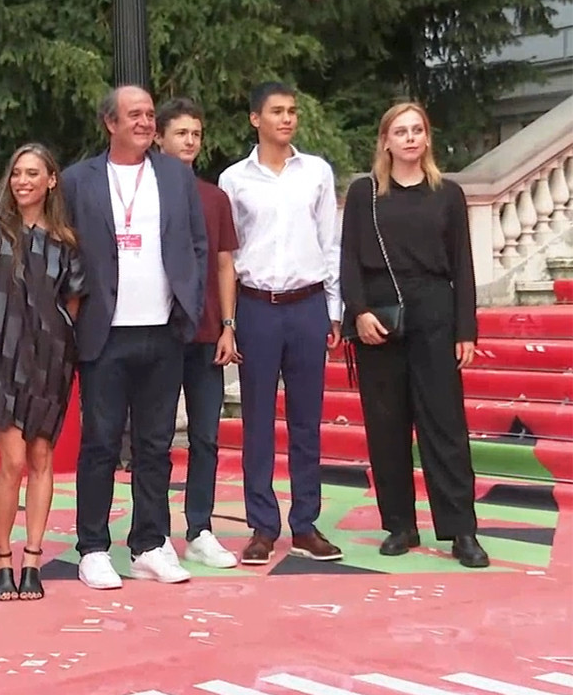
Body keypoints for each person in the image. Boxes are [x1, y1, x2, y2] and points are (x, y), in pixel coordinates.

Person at [62, 85, 208, 590]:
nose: (146, 122)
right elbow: (63, 244)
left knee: (155, 445)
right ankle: (93, 548)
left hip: (164, 329)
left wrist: (190, 301)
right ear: (111, 123)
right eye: (135, 115)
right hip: (104, 333)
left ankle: (149, 543)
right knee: (100, 444)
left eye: (149, 114)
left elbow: (195, 242)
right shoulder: (78, 180)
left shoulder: (175, 175)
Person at [340, 102, 489, 568]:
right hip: (379, 317)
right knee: (386, 425)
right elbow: (347, 258)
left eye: (417, 130)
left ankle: (461, 529)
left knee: (445, 425)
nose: (409, 138)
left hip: (435, 312)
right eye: (400, 131)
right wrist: (358, 312)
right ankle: (400, 524)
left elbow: (462, 264)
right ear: (385, 140)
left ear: (427, 138)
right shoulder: (365, 193)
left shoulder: (448, 194)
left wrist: (466, 328)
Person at [218, 82, 344, 565]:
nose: (287, 118)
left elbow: (329, 243)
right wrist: (229, 321)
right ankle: (262, 525)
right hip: (257, 307)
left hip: (308, 305)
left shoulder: (316, 172)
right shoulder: (234, 179)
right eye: (276, 111)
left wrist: (334, 309)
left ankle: (306, 523)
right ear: (256, 119)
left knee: (307, 420)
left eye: (292, 110)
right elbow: (228, 255)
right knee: (257, 420)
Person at [0, 143, 85, 601]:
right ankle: (0, 556)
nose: (22, 181)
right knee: (12, 461)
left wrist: (58, 343)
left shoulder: (66, 240)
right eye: (16, 173)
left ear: (51, 181)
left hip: (50, 359)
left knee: (42, 457)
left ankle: (32, 558)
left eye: (33, 173)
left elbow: (72, 301)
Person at [154, 99, 240, 569]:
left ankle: (200, 528)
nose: (190, 141)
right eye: (181, 133)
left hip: (209, 332)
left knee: (206, 436)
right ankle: (154, 533)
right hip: (159, 332)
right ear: (160, 138)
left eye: (196, 134)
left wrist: (228, 325)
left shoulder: (214, 198)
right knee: (156, 438)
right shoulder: (145, 194)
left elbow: (225, 264)